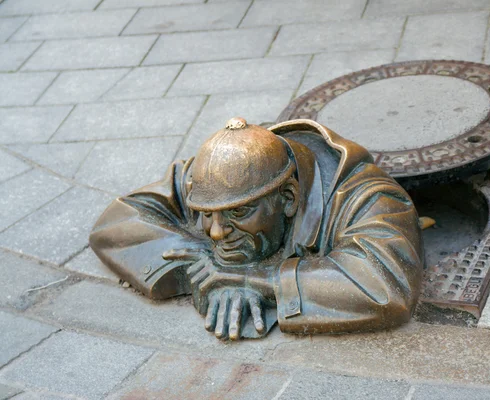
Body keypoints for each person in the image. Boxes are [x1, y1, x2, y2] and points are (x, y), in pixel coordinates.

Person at [90, 117, 423, 340]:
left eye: (239, 212)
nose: (217, 232)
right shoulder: (216, 175)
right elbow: (117, 221)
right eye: (206, 214)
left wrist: (260, 280)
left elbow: (384, 285)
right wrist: (195, 264)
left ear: (288, 198)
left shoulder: (368, 196)